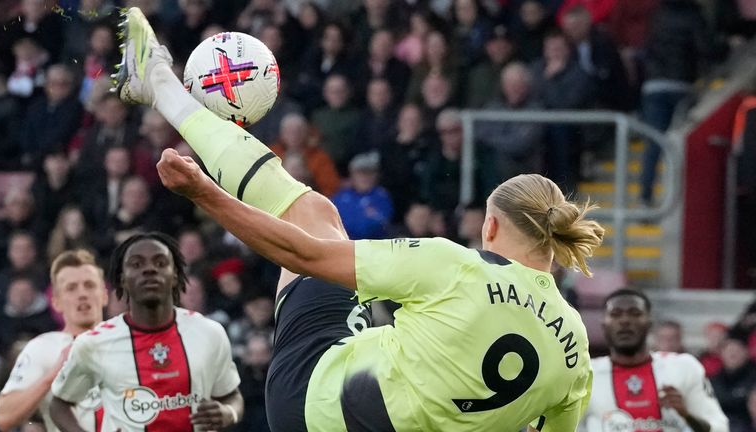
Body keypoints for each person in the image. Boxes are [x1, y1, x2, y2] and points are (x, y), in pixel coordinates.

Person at [116, 7, 604, 430]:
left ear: (491, 227)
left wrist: (204, 192)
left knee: (314, 213)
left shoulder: (456, 267)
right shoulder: (576, 349)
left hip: (313, 400)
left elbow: (301, 255)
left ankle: (160, 84)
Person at [49, 232, 243, 431]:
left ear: (175, 275)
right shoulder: (93, 343)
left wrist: (230, 413)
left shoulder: (209, 332)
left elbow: (231, 395)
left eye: (160, 263)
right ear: (123, 279)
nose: (149, 269)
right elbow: (59, 404)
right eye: (136, 264)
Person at [581, 289, 729, 432]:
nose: (625, 321)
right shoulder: (585, 376)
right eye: (615, 314)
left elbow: (720, 428)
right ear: (603, 325)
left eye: (635, 313)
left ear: (649, 323)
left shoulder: (685, 367)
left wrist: (688, 416)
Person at [0, 250, 107, 432]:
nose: (82, 294)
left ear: (104, 295)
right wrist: (53, 374)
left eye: (89, 285)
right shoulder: (43, 348)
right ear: (56, 302)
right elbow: (4, 417)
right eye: (71, 288)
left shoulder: (129, 342)